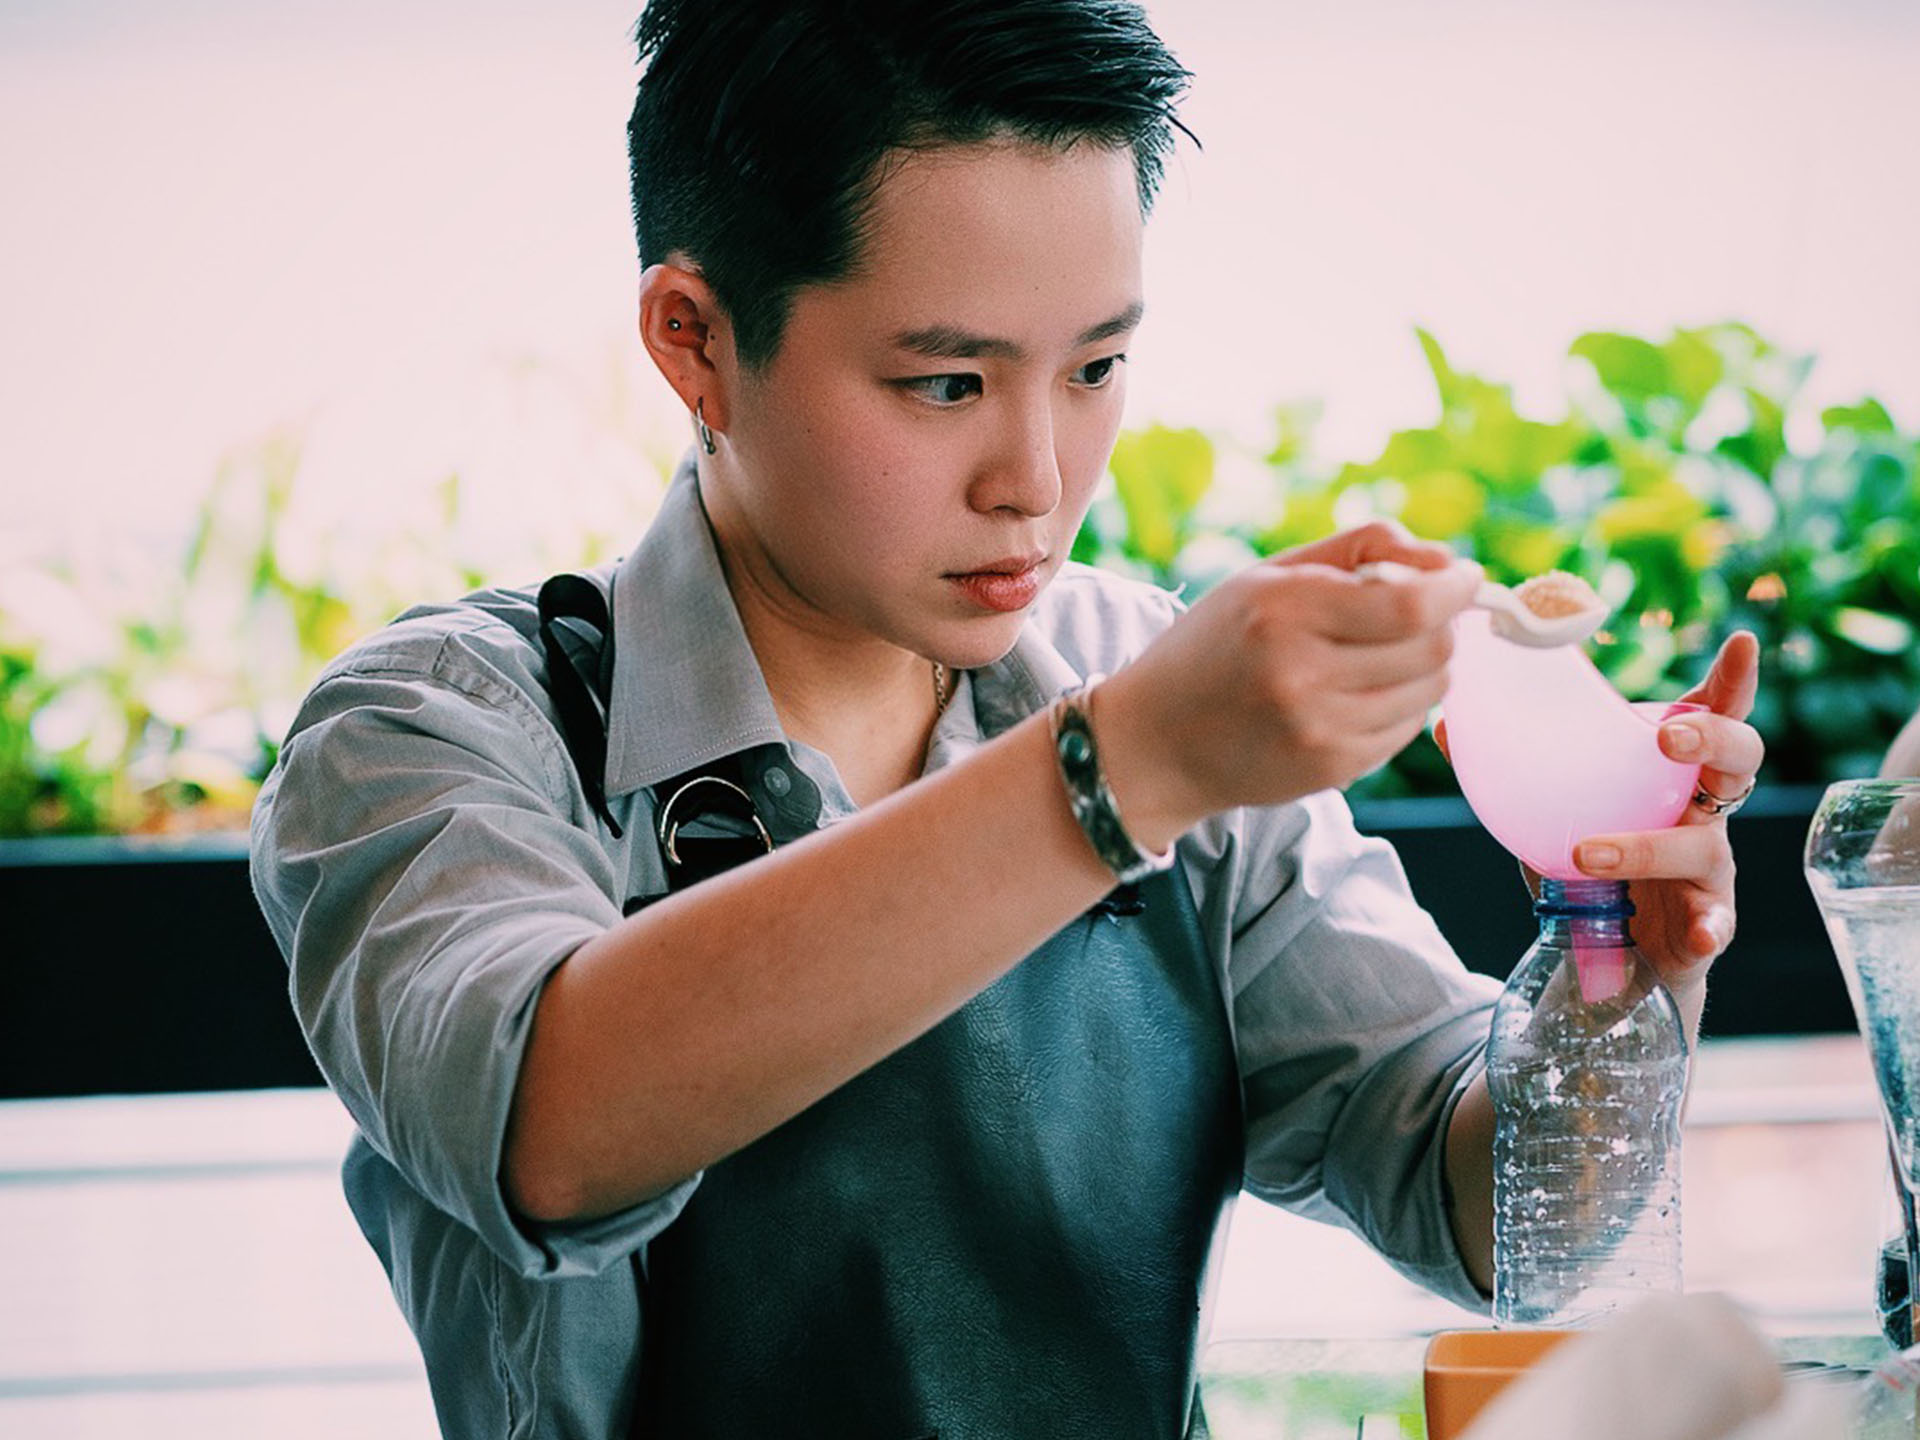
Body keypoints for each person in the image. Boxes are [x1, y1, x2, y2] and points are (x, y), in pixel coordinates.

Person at [247, 2, 1766, 1435]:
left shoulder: (1145, 676)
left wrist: (1617, 981)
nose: (1036, 478)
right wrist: (1125, 769)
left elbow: (1473, 1196)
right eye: (945, 383)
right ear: (694, 339)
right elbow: (549, 1125)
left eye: (1097, 367)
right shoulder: (436, 734)